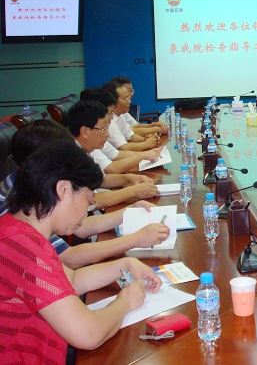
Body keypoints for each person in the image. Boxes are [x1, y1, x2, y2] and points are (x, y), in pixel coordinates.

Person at [0, 140, 161, 364]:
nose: (87, 210)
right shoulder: (22, 246)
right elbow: (89, 334)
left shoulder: (18, 230)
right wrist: (125, 302)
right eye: (88, 198)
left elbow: (72, 280)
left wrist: (125, 265)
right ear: (63, 189)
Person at [0, 119, 170, 269]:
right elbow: (69, 258)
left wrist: (129, 211)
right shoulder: (19, 202)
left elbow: (82, 227)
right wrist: (136, 239)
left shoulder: (31, 185)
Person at [67, 100, 160, 209]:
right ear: (85, 132)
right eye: (103, 128)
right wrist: (133, 191)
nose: (107, 134)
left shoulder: (88, 147)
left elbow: (102, 180)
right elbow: (91, 201)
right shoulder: (70, 158)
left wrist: (129, 178)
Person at [80, 88, 162, 174]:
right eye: (110, 112)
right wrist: (145, 149)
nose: (107, 134)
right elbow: (111, 168)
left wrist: (146, 150)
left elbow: (116, 154)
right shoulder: (90, 136)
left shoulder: (99, 130)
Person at [103, 81, 160, 152]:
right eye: (126, 98)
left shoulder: (120, 116)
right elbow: (123, 147)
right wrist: (147, 143)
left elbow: (131, 136)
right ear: (114, 101)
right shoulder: (109, 121)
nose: (129, 101)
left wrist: (147, 140)